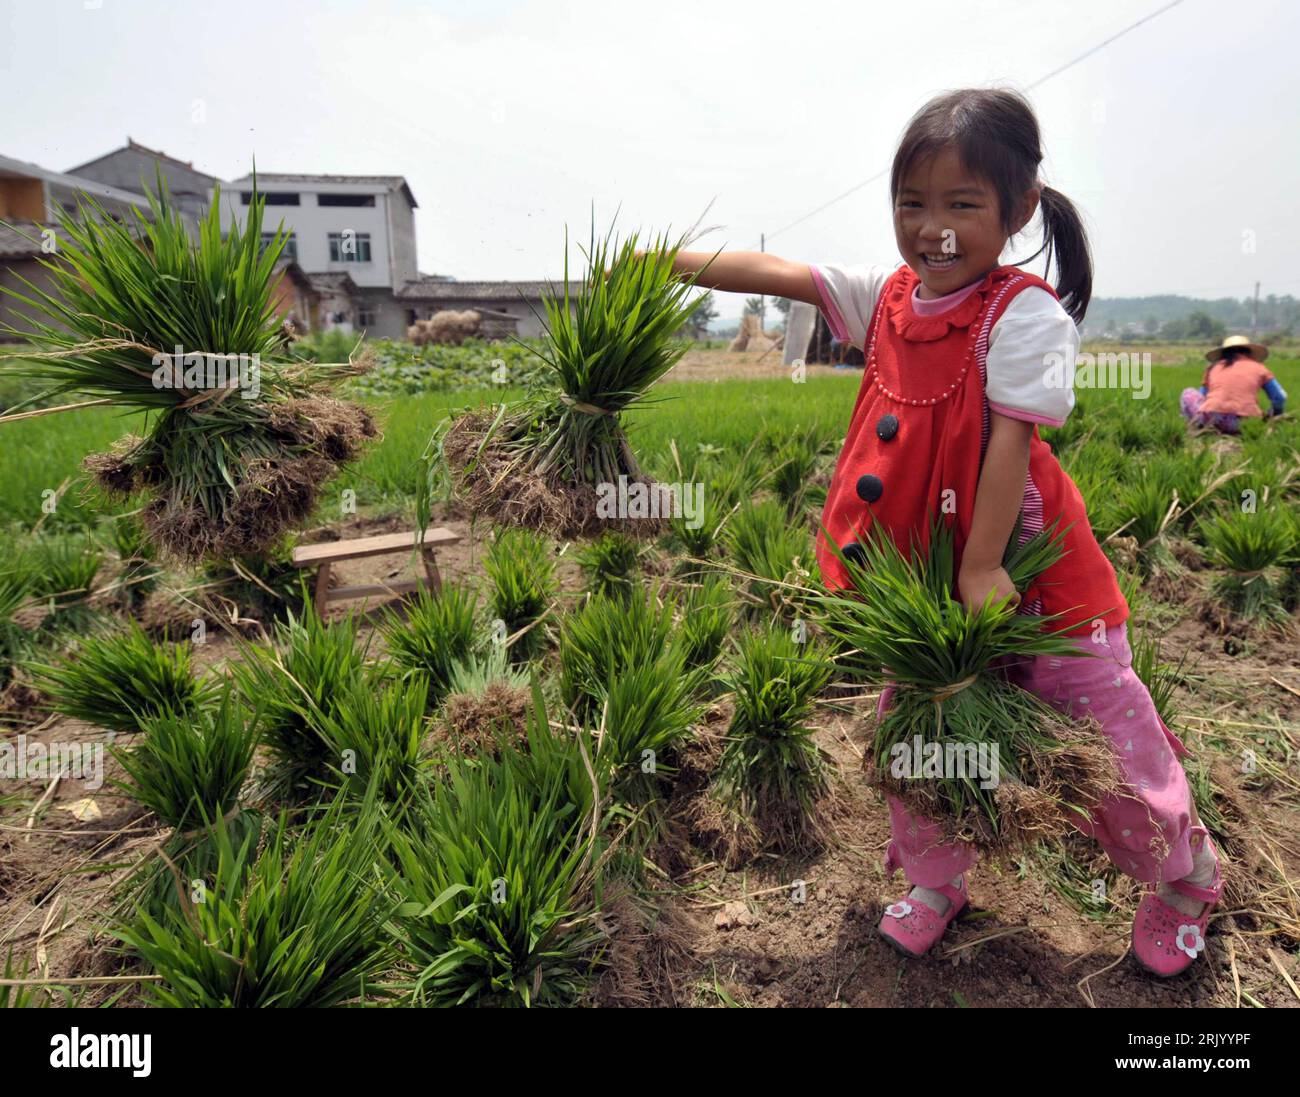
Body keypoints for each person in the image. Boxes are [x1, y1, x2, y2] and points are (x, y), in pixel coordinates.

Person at [666, 88, 1219, 978]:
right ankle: (936, 880)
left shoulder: (1023, 314)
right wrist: (665, 260)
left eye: (962, 205)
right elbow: (783, 275)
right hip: (925, 586)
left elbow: (1010, 441)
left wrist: (986, 563)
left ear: (1018, 210)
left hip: (1027, 581)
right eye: (912, 203)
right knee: (918, 733)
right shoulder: (885, 298)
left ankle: (1183, 878)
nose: (933, 228)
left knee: (1109, 744)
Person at [1181, 335, 1286, 434]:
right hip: (1245, 424)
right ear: (1248, 352)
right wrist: (1276, 413)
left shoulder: (1213, 368)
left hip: (1212, 420)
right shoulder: (1260, 368)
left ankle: (1197, 427)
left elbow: (1202, 396)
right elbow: (1280, 397)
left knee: (1188, 393)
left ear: (1224, 353)